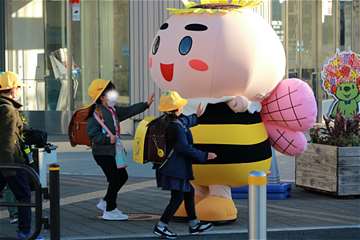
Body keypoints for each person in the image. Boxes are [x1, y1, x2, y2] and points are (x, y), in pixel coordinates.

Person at [87, 79, 154, 221]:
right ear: (102, 97)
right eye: (110, 92)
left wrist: (146, 105)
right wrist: (106, 139)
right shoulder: (96, 113)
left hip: (113, 151)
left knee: (122, 177)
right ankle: (110, 210)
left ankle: (105, 202)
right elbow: (93, 135)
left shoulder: (113, 110)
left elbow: (129, 111)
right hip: (102, 153)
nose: (114, 94)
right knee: (115, 178)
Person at [153, 91, 216, 239]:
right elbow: (184, 148)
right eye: (180, 106)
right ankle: (161, 226)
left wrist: (196, 117)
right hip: (175, 168)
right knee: (177, 197)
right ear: (177, 109)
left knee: (188, 192)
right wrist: (206, 155)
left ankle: (194, 224)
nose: (182, 108)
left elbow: (185, 122)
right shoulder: (175, 126)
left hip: (172, 167)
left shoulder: (167, 121)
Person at [0, 71, 32, 239]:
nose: (19, 90)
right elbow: (7, 140)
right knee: (24, 195)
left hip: (4, 161)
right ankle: (25, 232)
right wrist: (9, 168)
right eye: (18, 87)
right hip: (11, 162)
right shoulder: (8, 110)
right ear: (12, 89)